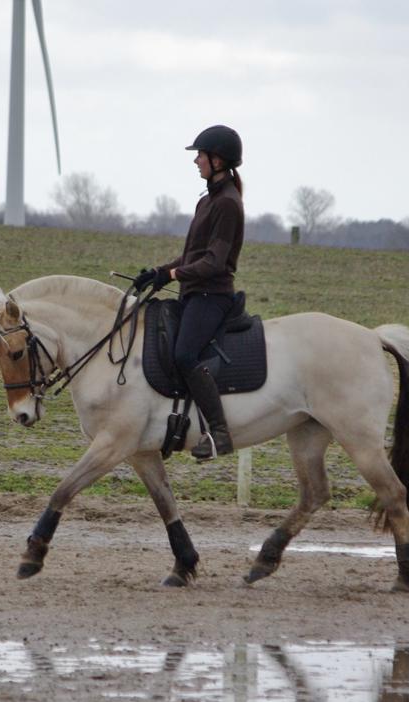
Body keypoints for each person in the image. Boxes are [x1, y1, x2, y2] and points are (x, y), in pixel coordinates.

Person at [133, 124, 244, 460]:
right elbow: (192, 256)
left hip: (213, 296)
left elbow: (213, 262)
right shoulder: (206, 202)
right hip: (194, 293)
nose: (196, 161)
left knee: (184, 355)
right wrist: (159, 273)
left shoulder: (228, 204)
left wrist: (173, 274)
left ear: (217, 160)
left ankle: (220, 433)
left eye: (200, 156)